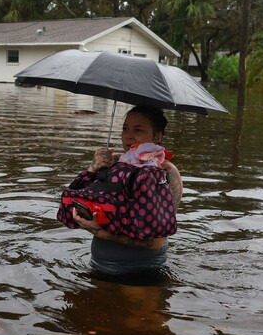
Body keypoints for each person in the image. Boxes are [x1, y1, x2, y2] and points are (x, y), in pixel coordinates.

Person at [64, 105, 183, 274]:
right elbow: (74, 201)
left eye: (138, 130)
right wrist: (93, 168)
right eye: (125, 129)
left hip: (142, 271)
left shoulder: (166, 173)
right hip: (99, 264)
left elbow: (156, 242)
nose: (128, 136)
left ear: (158, 135)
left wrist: (102, 234)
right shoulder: (114, 163)